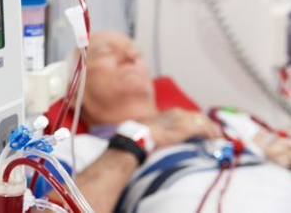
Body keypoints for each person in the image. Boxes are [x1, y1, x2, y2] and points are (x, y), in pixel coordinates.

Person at [49, 32, 291, 213]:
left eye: (136, 52)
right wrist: (137, 138)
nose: (130, 55)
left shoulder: (226, 121)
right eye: (105, 51)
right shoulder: (75, 151)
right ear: (72, 91)